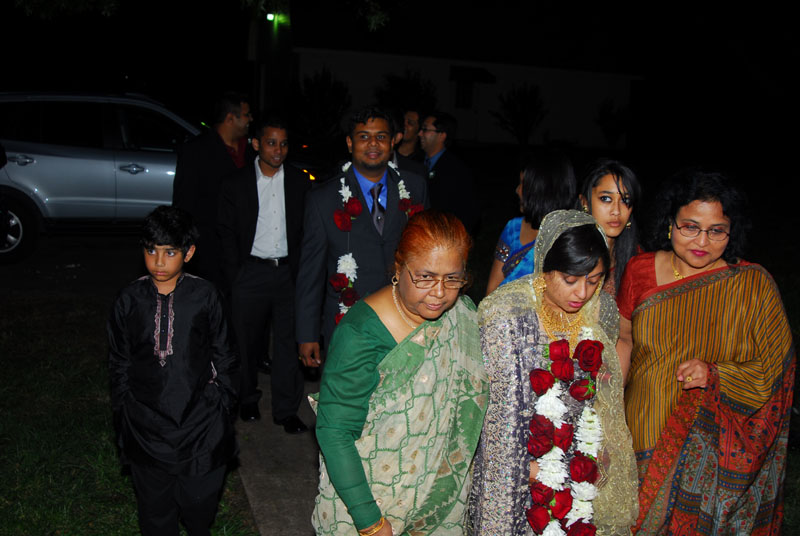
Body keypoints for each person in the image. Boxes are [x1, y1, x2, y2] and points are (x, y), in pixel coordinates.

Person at [618, 170, 795, 534]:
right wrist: (606, 407)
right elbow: (624, 339)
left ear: (731, 231)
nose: (702, 241)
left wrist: (717, 374)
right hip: (642, 424)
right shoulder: (639, 269)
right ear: (670, 223)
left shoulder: (752, 284)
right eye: (690, 227)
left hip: (710, 441)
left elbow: (776, 369)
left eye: (716, 231)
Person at [312, 210, 488, 535]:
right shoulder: (361, 334)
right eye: (425, 277)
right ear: (399, 267)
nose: (439, 292)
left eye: (452, 278)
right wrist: (370, 522)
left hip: (438, 499)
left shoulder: (461, 316)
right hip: (367, 499)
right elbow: (335, 431)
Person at [473, 209, 638, 535]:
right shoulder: (506, 316)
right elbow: (498, 419)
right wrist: (527, 469)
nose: (582, 293)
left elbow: (598, 400)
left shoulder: (598, 312)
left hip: (574, 463)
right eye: (570, 280)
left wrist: (589, 455)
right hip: (513, 464)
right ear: (546, 268)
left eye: (594, 280)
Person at [108, 206, 238, 536]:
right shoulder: (129, 300)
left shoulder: (205, 296)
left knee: (199, 505)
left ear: (188, 253)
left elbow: (225, 355)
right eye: (151, 250)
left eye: (170, 252)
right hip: (147, 426)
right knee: (155, 512)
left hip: (200, 424)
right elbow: (119, 360)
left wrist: (223, 404)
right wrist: (124, 407)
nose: (159, 262)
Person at [295, 106, 428, 368]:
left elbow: (426, 253)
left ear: (392, 142)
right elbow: (311, 272)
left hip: (404, 320)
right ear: (349, 143)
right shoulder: (323, 199)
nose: (373, 144)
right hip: (347, 322)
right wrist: (307, 333)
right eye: (364, 136)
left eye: (381, 137)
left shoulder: (415, 187)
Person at [217, 116, 311, 431]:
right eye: (271, 143)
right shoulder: (235, 183)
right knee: (245, 342)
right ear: (256, 144)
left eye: (283, 144)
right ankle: (247, 398)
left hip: (287, 274)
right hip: (251, 273)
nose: (278, 150)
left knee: (288, 344)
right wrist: (235, 274)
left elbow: (307, 231)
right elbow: (225, 232)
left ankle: (286, 410)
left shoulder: (299, 182)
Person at [172, 91, 253, 288]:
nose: (251, 119)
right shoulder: (196, 151)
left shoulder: (252, 151)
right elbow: (184, 204)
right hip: (210, 252)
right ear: (230, 118)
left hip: (246, 251)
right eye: (246, 115)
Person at [485, 150, 576, 295]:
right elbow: (492, 290)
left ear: (540, 189)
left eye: (522, 184)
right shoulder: (513, 228)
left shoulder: (571, 238)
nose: (517, 190)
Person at [578, 158, 641, 296]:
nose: (616, 211)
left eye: (625, 200)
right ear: (585, 202)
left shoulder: (639, 261)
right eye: (606, 199)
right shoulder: (567, 254)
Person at [418, 111, 480, 234]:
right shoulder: (415, 162)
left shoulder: (457, 170)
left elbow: (468, 212)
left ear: (442, 135)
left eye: (425, 129)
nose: (420, 134)